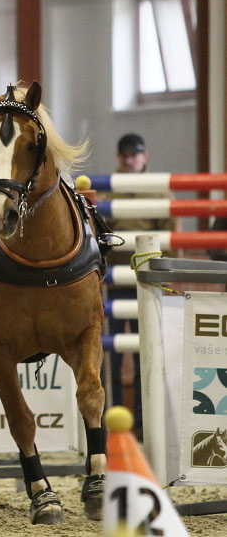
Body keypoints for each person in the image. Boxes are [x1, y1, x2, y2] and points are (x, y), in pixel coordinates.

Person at [101, 133, 175, 433]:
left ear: (144, 156)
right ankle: (117, 422)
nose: (130, 159)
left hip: (148, 283)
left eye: (135, 154)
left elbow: (170, 241)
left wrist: (166, 282)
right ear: (120, 158)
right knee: (114, 355)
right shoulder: (106, 192)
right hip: (116, 281)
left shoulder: (160, 192)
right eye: (125, 155)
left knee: (149, 353)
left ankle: (147, 423)